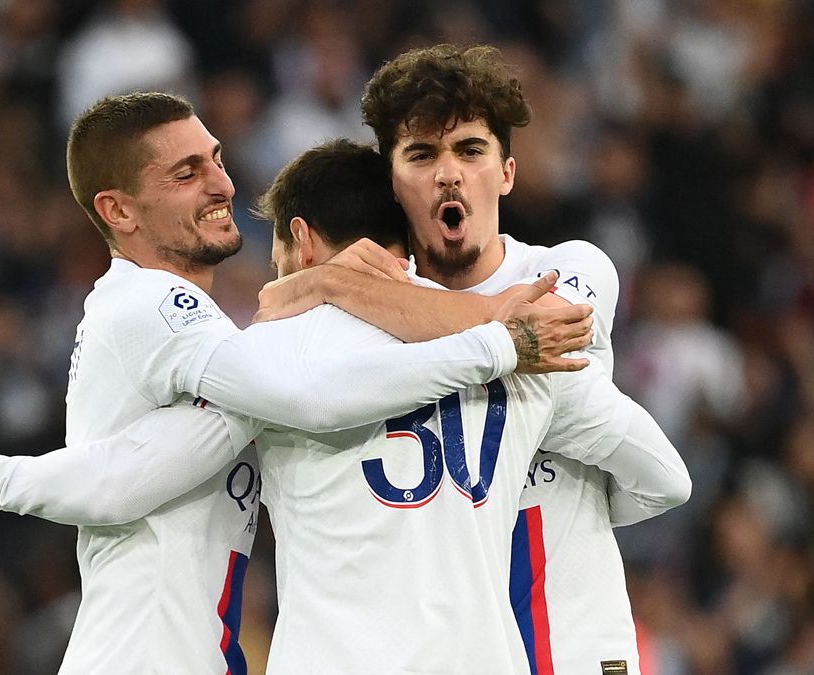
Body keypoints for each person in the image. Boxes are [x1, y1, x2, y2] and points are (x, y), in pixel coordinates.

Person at [0, 138, 689, 673]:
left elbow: (124, 479)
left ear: (299, 237)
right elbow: (666, 477)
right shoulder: (534, 359)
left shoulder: (272, 358)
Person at [255, 44, 653, 674]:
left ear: (507, 172)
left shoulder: (570, 268)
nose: (449, 173)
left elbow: (542, 328)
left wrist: (329, 282)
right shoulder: (356, 321)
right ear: (391, 179)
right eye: (421, 155)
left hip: (573, 640)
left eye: (470, 150)